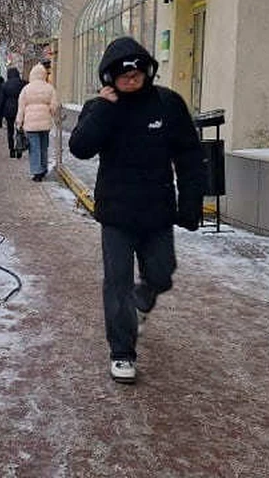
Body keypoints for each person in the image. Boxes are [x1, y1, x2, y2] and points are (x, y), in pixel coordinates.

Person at [68, 36, 205, 384]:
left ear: (147, 70)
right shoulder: (101, 108)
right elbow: (80, 148)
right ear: (109, 76)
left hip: (157, 209)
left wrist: (190, 203)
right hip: (116, 213)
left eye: (136, 71)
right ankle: (122, 353)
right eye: (122, 73)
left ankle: (142, 300)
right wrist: (102, 107)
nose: (131, 78)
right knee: (117, 283)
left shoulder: (168, 104)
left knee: (161, 273)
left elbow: (189, 156)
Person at [15, 63, 60, 181]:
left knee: (34, 148)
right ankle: (44, 169)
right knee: (44, 147)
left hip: (30, 124)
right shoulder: (49, 88)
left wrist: (19, 122)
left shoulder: (26, 89)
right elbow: (54, 106)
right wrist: (49, 112)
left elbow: (21, 107)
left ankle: (37, 172)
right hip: (45, 123)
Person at [0, 67, 26, 157]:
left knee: (10, 131)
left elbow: (1, 101)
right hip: (20, 109)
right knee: (19, 130)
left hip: (8, 111)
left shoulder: (5, 85)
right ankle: (19, 148)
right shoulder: (23, 83)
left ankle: (11, 150)